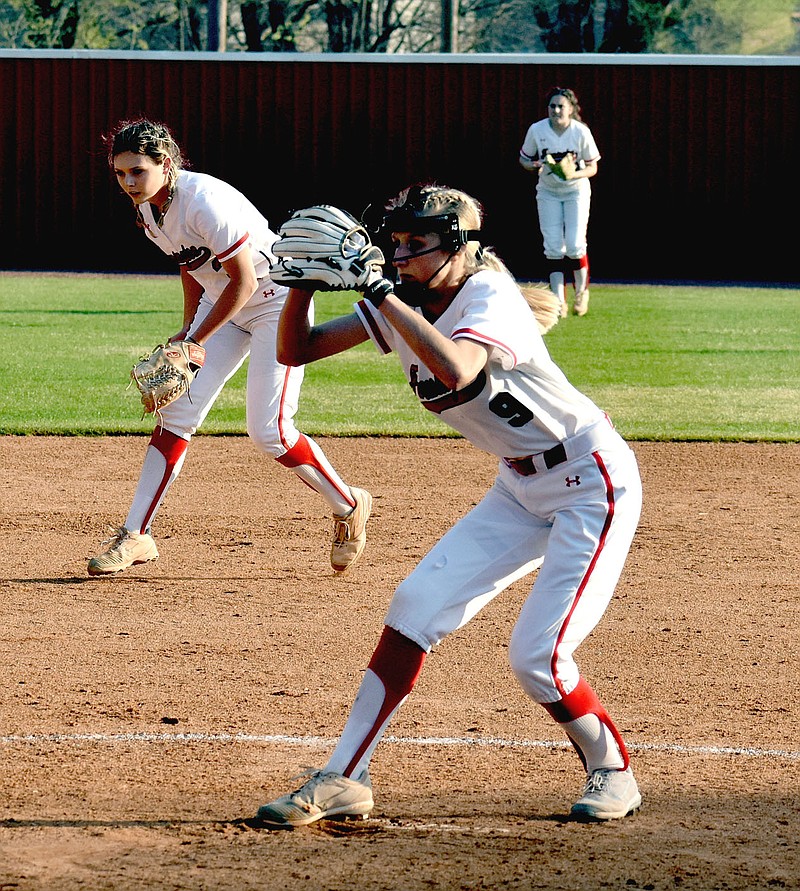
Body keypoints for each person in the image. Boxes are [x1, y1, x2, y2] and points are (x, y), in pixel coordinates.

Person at [253, 184, 643, 827]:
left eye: (417, 243)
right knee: (413, 608)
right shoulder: (405, 297)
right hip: (518, 488)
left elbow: (459, 368)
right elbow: (298, 349)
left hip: (591, 483)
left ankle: (614, 771)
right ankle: (345, 776)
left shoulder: (488, 298)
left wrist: (379, 291)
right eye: (396, 241)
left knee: (538, 656)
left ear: (458, 245)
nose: (399, 254)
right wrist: (302, 282)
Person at [87, 119, 371, 576]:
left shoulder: (204, 202)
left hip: (274, 302)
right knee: (175, 414)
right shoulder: (148, 212)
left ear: (166, 164)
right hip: (227, 305)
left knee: (270, 433)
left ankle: (348, 503)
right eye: (120, 174)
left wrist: (197, 340)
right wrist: (185, 329)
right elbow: (190, 265)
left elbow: (244, 281)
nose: (128, 182)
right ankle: (136, 535)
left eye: (137, 171)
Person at [519, 86, 600, 317]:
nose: (556, 110)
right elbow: (524, 159)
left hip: (575, 190)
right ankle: (557, 302)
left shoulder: (580, 132)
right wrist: (534, 165)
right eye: (552, 106)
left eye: (561, 106)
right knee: (553, 246)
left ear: (571, 109)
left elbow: (593, 166)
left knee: (574, 244)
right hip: (548, 191)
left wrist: (574, 174)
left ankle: (581, 293)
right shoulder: (538, 129)